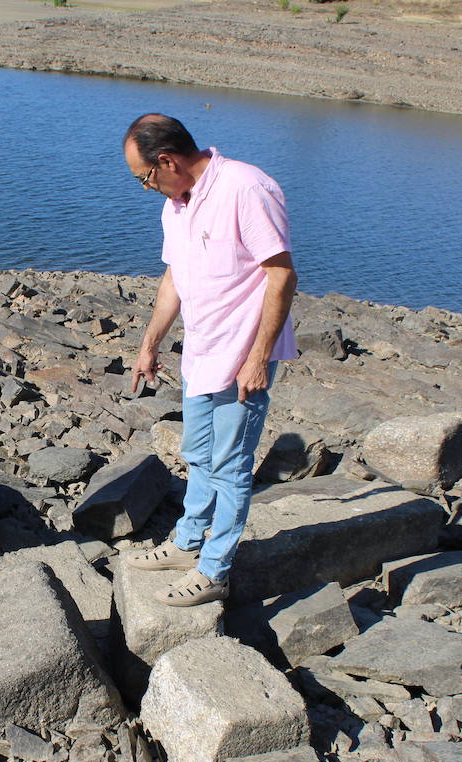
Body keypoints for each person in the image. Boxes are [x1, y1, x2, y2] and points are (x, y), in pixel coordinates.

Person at [122, 113, 298, 607]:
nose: (145, 187)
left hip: (243, 358)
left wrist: (259, 358)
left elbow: (282, 275)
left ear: (166, 161)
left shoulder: (246, 187)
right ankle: (186, 543)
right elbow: (174, 277)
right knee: (198, 454)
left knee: (231, 464)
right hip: (200, 353)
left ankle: (215, 569)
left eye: (143, 177)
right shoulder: (176, 205)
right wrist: (150, 343)